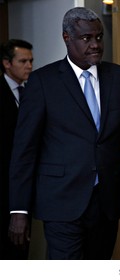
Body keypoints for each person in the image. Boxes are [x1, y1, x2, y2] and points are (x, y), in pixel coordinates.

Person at [7, 7, 120, 260]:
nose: (95, 44)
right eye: (86, 38)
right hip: (60, 201)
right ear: (67, 38)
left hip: (107, 201)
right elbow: (25, 150)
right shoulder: (43, 82)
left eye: (98, 37)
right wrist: (18, 209)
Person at [0, 39, 33, 260]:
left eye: (31, 60)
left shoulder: (32, 90)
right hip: (3, 181)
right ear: (7, 63)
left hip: (24, 185)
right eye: (23, 61)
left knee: (21, 247)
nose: (29, 66)